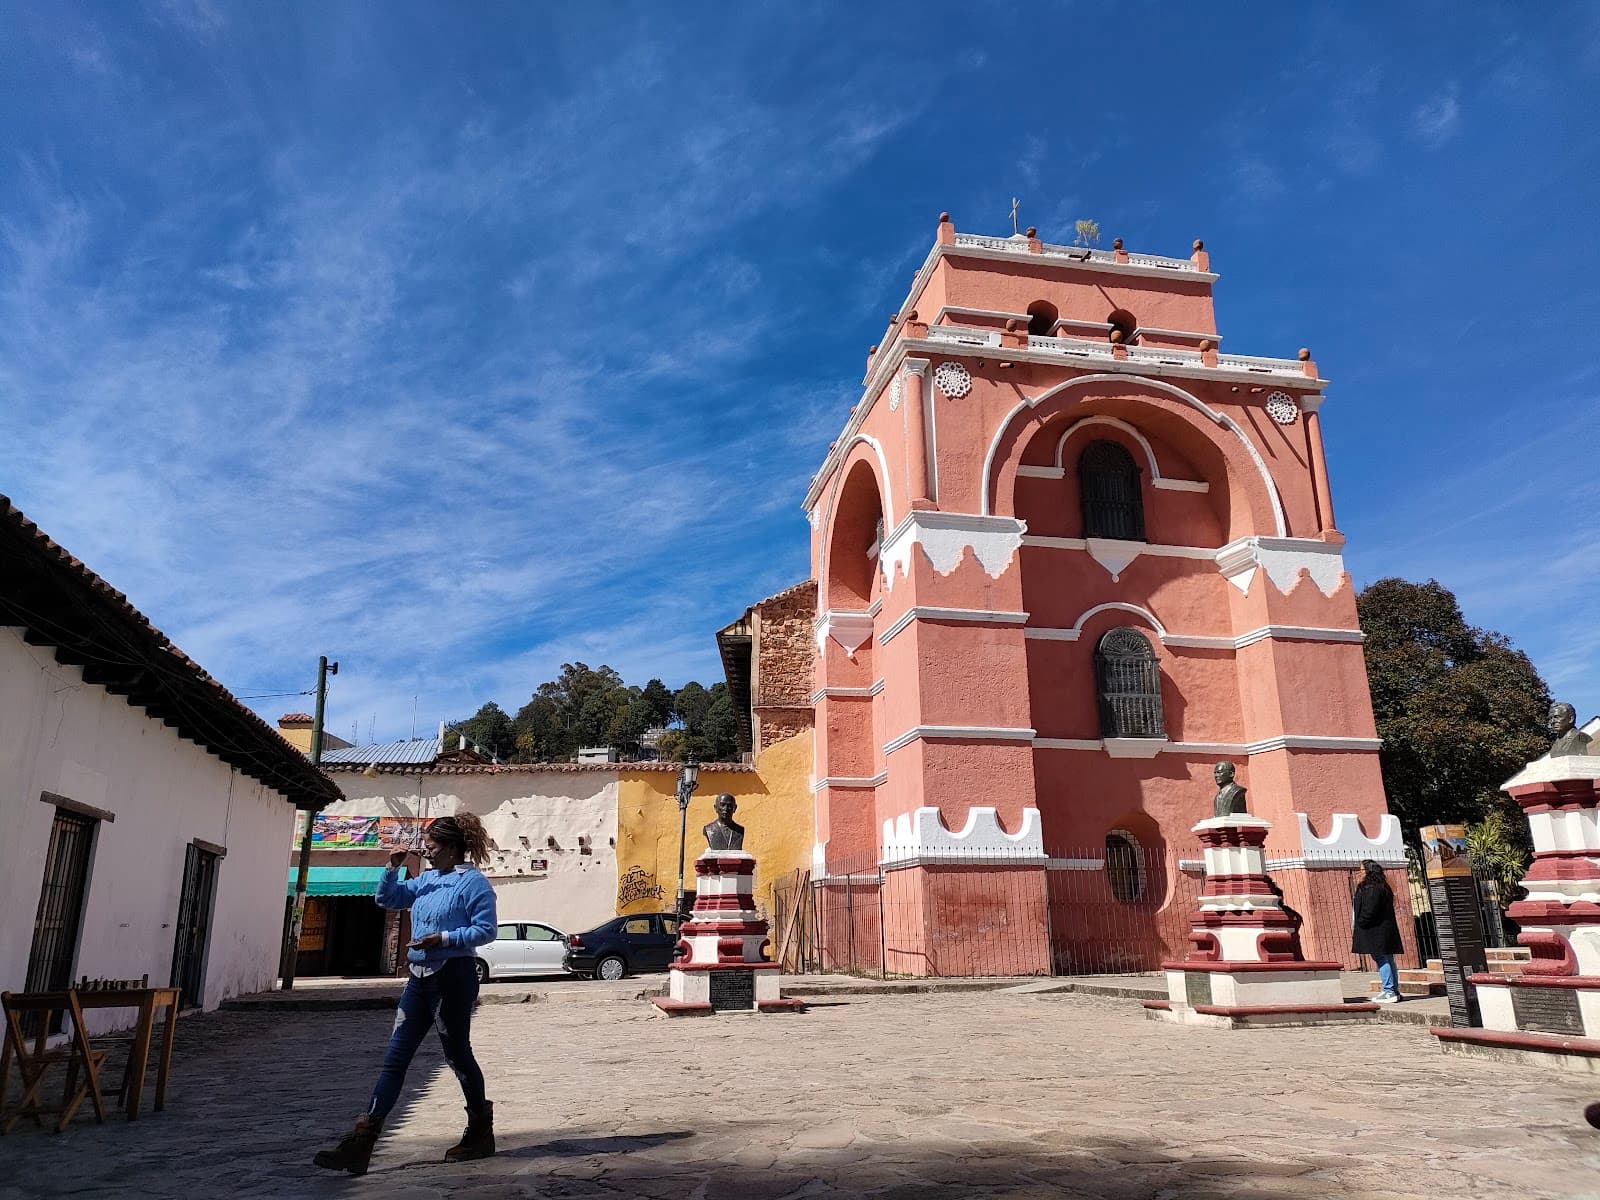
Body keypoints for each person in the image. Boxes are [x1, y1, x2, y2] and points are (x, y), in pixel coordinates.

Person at [313, 813, 498, 1176]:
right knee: (395, 1058)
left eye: (431, 844)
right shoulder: (426, 880)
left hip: (453, 978)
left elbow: (485, 930)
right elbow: (389, 899)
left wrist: (443, 939)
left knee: (457, 1055)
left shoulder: (473, 884)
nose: (426, 850)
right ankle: (362, 1142)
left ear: (451, 847)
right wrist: (391, 868)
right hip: (418, 978)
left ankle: (480, 1130)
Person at [1351, 858, 1404, 1004]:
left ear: (1368, 871)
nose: (1359, 873)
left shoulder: (1370, 888)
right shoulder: (1383, 886)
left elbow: (1369, 910)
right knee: (1388, 958)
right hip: (1384, 929)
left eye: (1361, 870)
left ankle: (1389, 991)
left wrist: (1361, 922)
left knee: (1381, 958)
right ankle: (1394, 990)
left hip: (1375, 930)